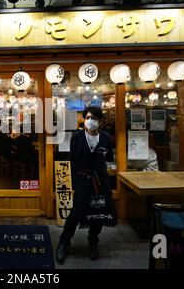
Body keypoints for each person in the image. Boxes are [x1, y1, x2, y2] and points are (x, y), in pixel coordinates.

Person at [55, 107, 117, 264]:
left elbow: (109, 157)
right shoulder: (76, 137)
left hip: (101, 180)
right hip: (82, 180)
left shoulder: (106, 138)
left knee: (98, 212)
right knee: (76, 212)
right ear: (84, 119)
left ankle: (93, 242)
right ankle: (64, 242)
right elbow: (72, 160)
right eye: (88, 117)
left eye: (94, 118)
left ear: (101, 121)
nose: (90, 120)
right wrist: (76, 181)